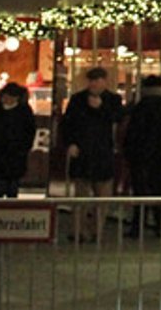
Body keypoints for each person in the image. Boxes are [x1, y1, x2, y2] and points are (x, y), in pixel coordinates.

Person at [61, 66, 126, 241]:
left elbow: (118, 118)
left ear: (105, 81)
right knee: (80, 194)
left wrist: (101, 108)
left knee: (102, 196)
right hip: (82, 152)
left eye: (98, 80)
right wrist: (70, 143)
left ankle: (97, 231)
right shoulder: (77, 100)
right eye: (91, 80)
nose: (94, 84)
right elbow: (67, 124)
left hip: (103, 152)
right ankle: (78, 230)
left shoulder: (113, 100)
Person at [123, 74, 161, 234]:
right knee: (158, 188)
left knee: (140, 191)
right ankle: (159, 225)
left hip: (139, 153)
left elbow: (133, 131)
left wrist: (128, 150)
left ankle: (138, 225)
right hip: (160, 152)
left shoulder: (140, 106)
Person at [0, 82, 36, 199]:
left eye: (9, 97)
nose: (5, 100)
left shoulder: (24, 111)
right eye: (4, 97)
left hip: (16, 154)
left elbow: (30, 131)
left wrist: (24, 148)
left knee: (12, 187)